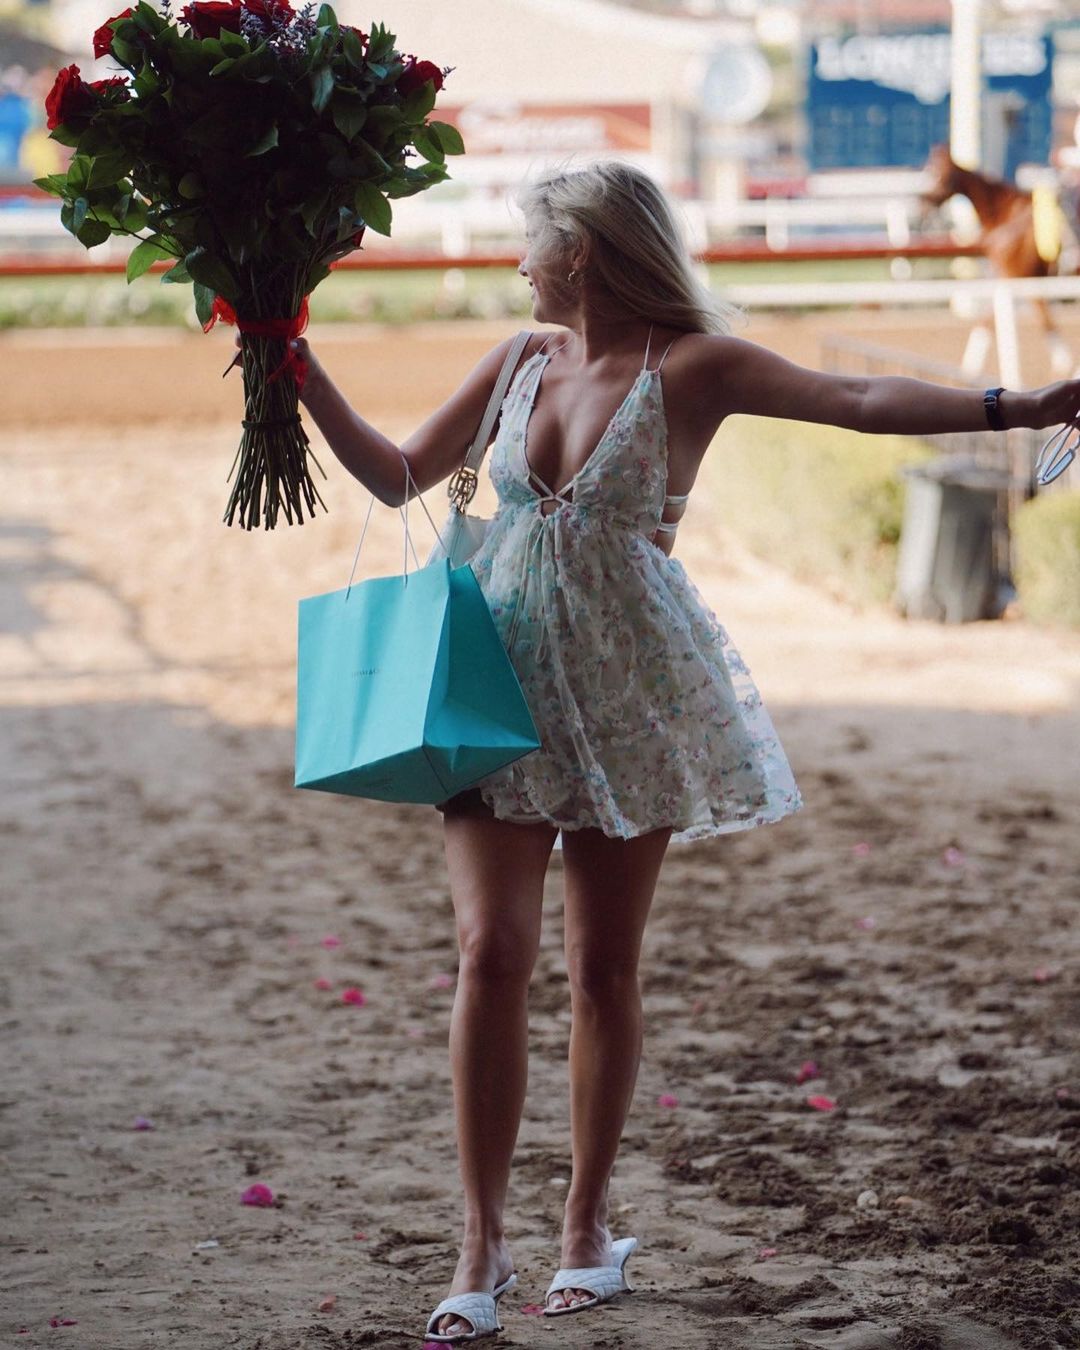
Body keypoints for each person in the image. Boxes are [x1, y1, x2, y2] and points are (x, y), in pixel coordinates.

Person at [286, 161, 1079, 1342]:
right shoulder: (519, 359)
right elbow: (400, 476)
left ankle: (585, 1227)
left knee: (603, 969)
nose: (519, 260)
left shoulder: (692, 368)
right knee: (489, 953)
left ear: (584, 252)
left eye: (533, 241)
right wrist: (293, 362)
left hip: (633, 696)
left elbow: (857, 397)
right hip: (496, 686)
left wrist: (1024, 406)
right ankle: (480, 1239)